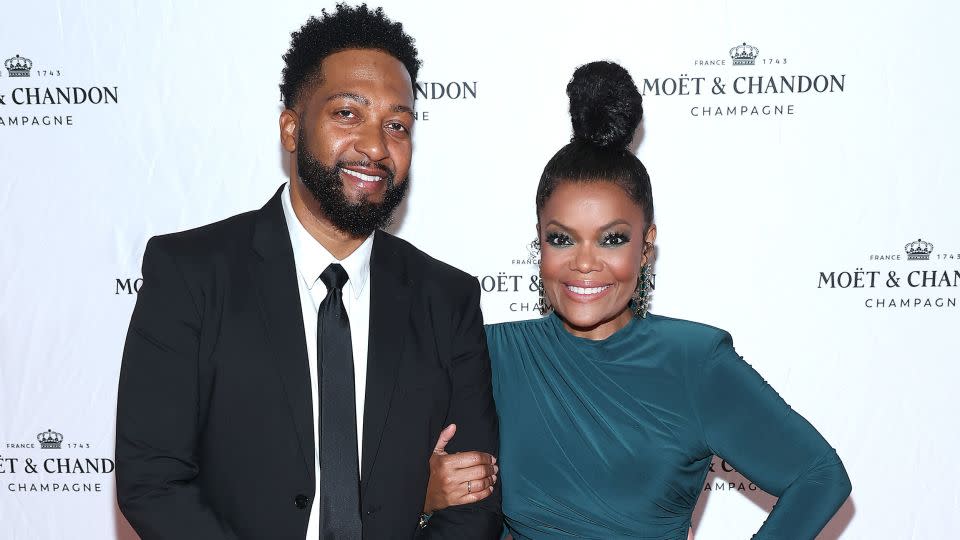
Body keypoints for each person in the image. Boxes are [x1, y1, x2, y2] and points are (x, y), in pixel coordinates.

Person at [115, 5, 500, 539]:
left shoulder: (447, 298)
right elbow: (153, 482)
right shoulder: (190, 274)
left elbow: (475, 503)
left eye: (397, 125)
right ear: (291, 129)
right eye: (347, 113)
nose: (375, 147)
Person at [442, 61, 852, 539]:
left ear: (647, 242)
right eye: (562, 239)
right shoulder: (489, 354)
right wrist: (427, 494)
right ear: (539, 241)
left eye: (612, 239)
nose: (585, 262)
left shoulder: (693, 362)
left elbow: (819, 477)